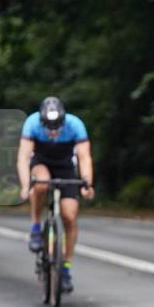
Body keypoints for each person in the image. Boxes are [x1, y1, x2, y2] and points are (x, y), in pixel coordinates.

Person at [17, 97, 95, 293]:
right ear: (42, 122)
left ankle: (65, 268)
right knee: (41, 184)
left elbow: (84, 157)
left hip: (65, 166)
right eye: (49, 128)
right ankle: (36, 227)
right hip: (42, 162)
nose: (53, 132)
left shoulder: (75, 125)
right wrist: (26, 184)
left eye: (57, 127)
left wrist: (87, 183)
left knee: (70, 216)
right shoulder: (32, 123)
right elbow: (24, 157)